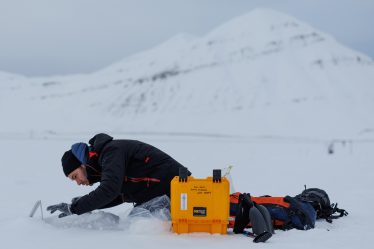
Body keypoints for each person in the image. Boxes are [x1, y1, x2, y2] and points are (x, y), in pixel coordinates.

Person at [47, 133, 190, 218]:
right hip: (164, 197)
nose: (78, 182)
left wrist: (75, 208)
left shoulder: (110, 152)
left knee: (139, 227)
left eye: (75, 176)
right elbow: (119, 196)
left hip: (181, 192)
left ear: (82, 164)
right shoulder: (104, 162)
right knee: (136, 223)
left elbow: (110, 190)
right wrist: (80, 205)